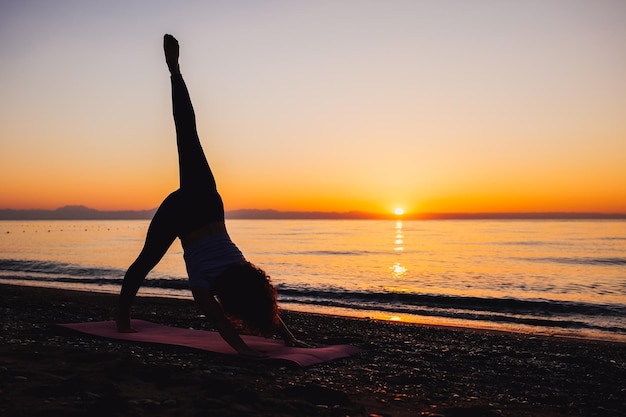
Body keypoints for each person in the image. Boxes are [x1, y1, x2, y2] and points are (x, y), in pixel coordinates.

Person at [112, 34, 309, 357]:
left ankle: (175, 72)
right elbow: (222, 325)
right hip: (183, 214)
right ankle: (121, 314)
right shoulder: (204, 284)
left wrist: (286, 338)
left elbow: (261, 297)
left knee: (187, 132)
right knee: (145, 261)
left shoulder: (242, 267)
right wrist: (253, 349)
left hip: (207, 202)